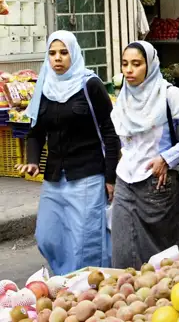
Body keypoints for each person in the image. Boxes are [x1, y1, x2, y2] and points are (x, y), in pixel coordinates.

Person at [18, 31, 119, 275]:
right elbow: (35, 132)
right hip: (54, 177)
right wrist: (32, 161)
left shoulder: (89, 85)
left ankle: (85, 289)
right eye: (52, 53)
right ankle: (66, 278)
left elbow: (110, 132)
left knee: (85, 241)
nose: (57, 58)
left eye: (64, 52)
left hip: (87, 175)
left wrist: (110, 177)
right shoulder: (44, 87)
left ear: (73, 54)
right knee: (47, 236)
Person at [110, 41, 179, 269]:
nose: (129, 70)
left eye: (137, 64)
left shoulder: (169, 95)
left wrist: (166, 158)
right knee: (123, 250)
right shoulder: (124, 97)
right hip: (125, 180)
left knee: (163, 255)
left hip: (157, 184)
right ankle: (128, 299)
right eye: (125, 64)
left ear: (150, 65)